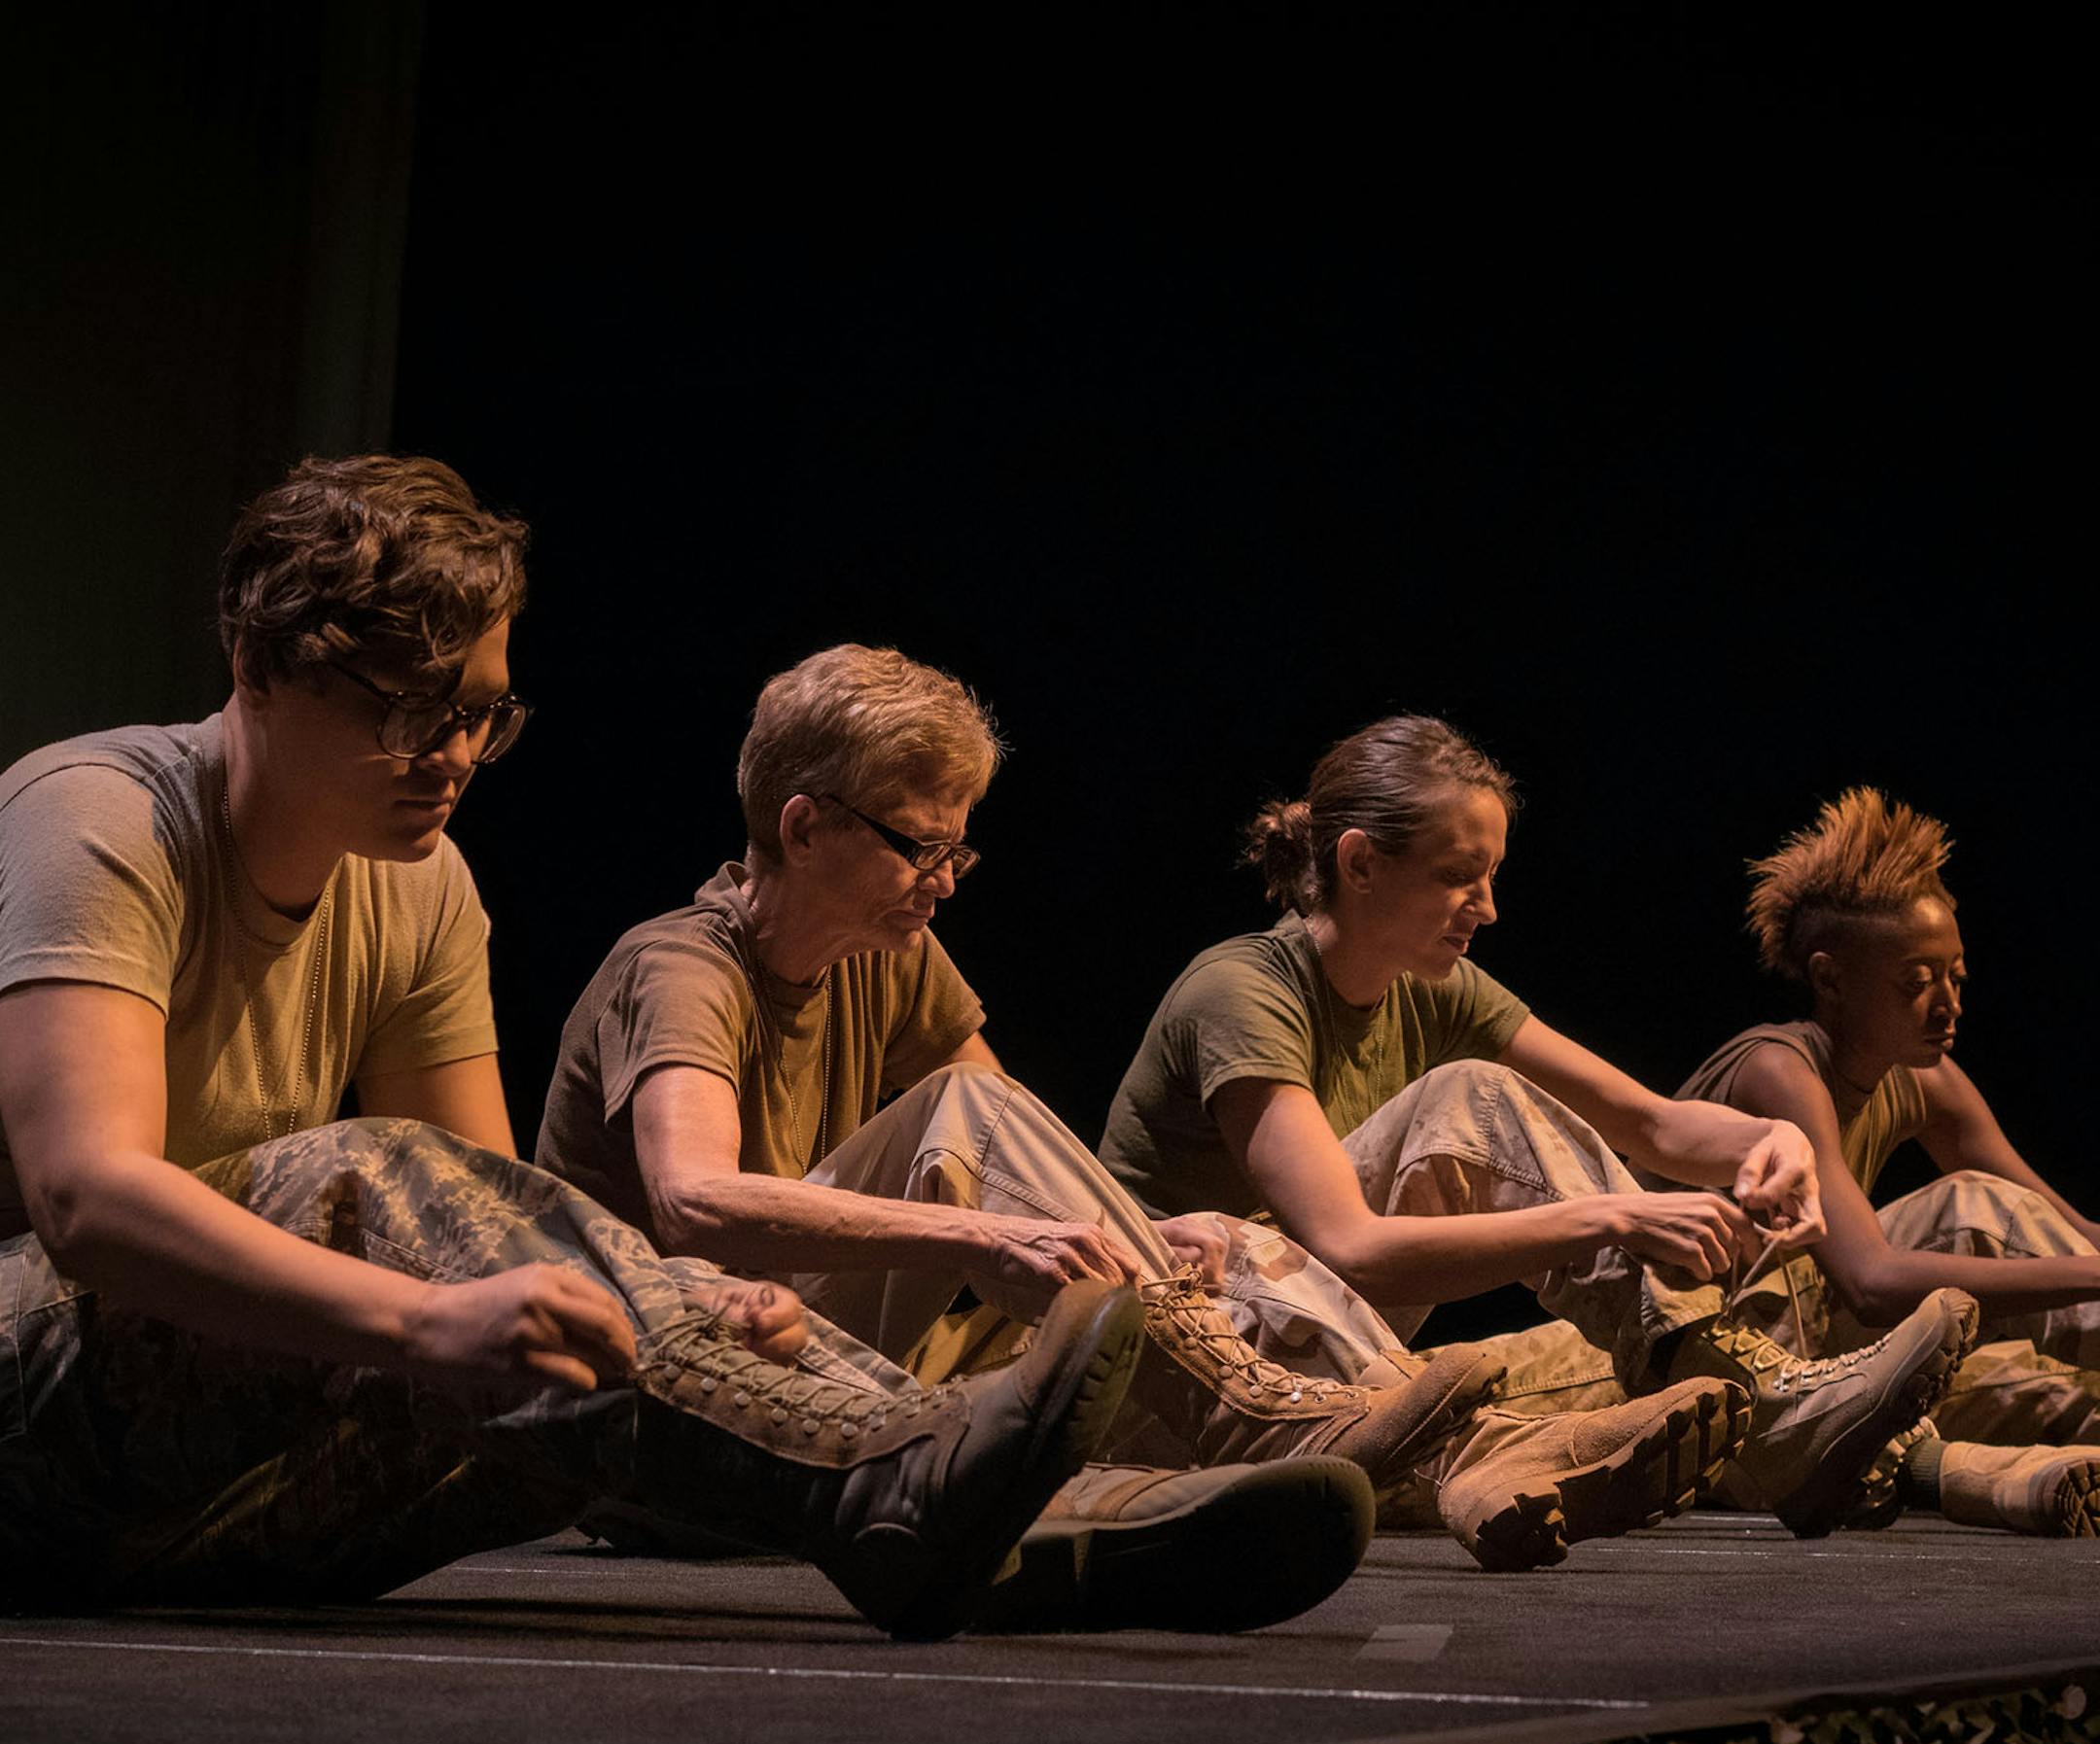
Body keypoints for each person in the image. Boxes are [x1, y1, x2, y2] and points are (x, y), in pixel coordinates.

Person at [0, 457, 1139, 1642]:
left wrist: (681, 1304)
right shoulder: (99, 815)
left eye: (481, 712)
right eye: (405, 707)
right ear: (258, 665)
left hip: (176, 1499)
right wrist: (419, 1323)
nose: (450, 754)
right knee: (360, 1178)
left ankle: (1042, 1522)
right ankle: (910, 1480)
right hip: (28, 1427)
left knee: (554, 1352)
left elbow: (495, 1213)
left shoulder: (426, 883)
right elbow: (87, 1199)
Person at [539, 645, 1732, 1584]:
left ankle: (1484, 1442)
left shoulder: (892, 955)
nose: (947, 878)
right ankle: (1353, 1428)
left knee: (1210, 1225)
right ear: (804, 826)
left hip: (829, 1376)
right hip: (675, 1408)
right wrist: (989, 1237)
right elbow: (694, 1197)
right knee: (975, 1117)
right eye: (920, 845)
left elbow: (1021, 1142)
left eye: (962, 847)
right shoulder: (683, 963)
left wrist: (1141, 1236)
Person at [1096, 715, 1975, 1556]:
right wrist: (1611, 1221)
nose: (1485, 905)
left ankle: (1777, 1411)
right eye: (1457, 875)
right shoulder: (1243, 991)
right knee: (1471, 1097)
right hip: (1173, 1388)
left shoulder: (1433, 985)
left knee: (1610, 1379)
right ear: (1361, 864)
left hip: (1323, 1364)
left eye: (1489, 874)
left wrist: (1772, 1139)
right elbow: (1350, 1246)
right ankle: (1753, 1419)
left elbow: (1653, 1122)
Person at [1668, 787, 2097, 1536]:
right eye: (1917, 981)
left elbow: (2064, 1229)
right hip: (1707, 1367)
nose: (1946, 1004)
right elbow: (1870, 1283)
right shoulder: (1778, 1069)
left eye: (1956, 976)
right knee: (1972, 1207)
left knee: (2063, 1394)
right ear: (1831, 978)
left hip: (1837, 1368)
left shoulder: (1922, 1076)